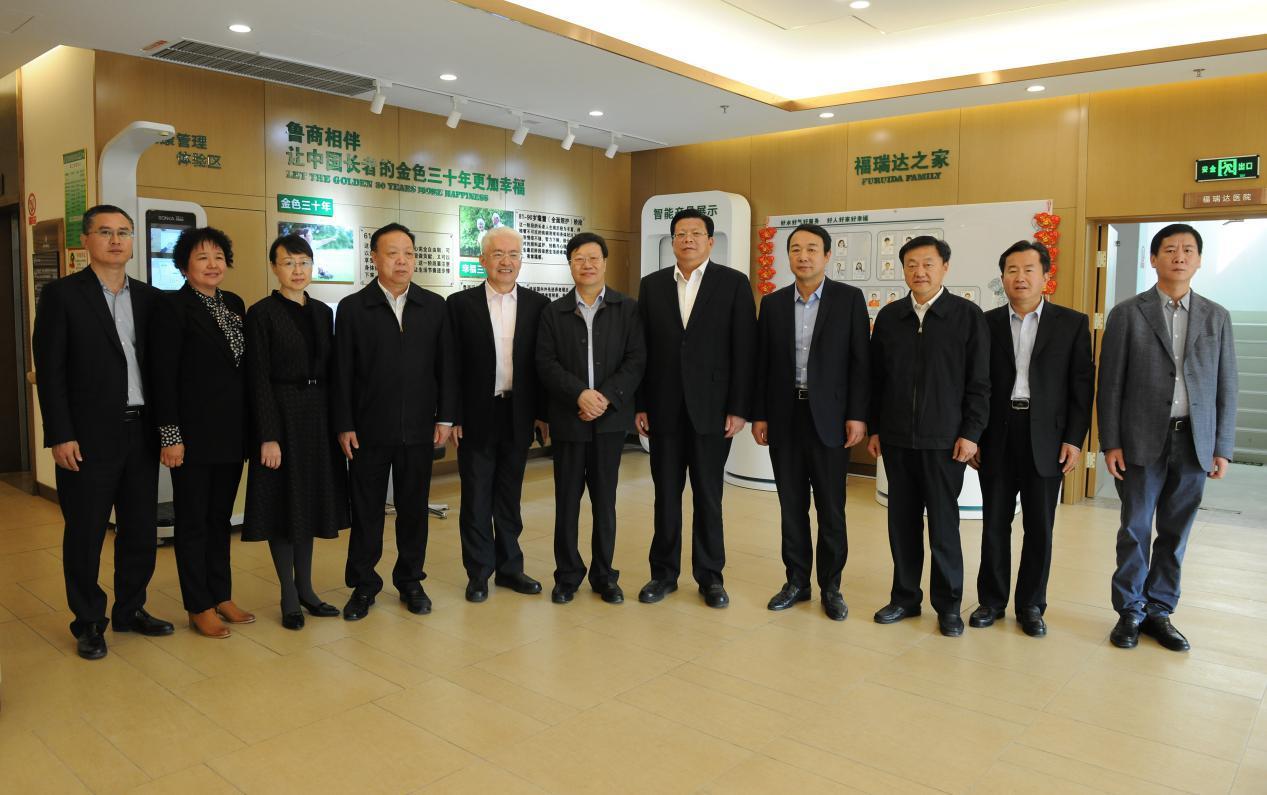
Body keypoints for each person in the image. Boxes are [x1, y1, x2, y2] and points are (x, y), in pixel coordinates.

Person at [33, 204, 173, 659]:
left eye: (124, 232)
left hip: (141, 431)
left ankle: (131, 609)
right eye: (106, 232)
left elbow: (161, 371)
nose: (116, 240)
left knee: (139, 530)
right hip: (87, 437)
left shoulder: (151, 299)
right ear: (86, 240)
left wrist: (168, 431)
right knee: (86, 532)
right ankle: (89, 620)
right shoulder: (62, 296)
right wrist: (60, 433)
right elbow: (50, 371)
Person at [1098, 223, 1237, 652]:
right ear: (1153, 258)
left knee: (1175, 532)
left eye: (1188, 250)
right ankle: (1129, 610)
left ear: (1199, 260)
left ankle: (1160, 610)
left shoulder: (1216, 316)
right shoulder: (1127, 313)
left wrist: (1222, 446)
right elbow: (1110, 384)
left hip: (1194, 441)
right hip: (1139, 440)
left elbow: (1227, 384)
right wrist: (1111, 442)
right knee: (1135, 529)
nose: (1179, 256)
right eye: (1170, 249)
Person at [968, 241, 1093, 637]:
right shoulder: (984, 323)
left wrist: (1074, 439)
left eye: (1028, 270)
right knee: (995, 523)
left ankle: (1031, 605)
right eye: (1011, 270)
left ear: (1045, 276)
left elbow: (1081, 387)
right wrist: (973, 434)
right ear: (1002, 277)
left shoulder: (1071, 323)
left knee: (1040, 527)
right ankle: (991, 601)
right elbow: (972, 383)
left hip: (1047, 438)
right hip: (997, 434)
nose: (1019, 278)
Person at [867, 235, 989, 637]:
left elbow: (980, 383)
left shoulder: (967, 316)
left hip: (945, 442)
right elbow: (876, 379)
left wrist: (971, 433)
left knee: (943, 525)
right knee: (901, 523)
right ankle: (905, 597)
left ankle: (949, 605)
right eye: (912, 265)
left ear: (945, 268)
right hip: (897, 440)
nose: (919, 272)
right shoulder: (890, 317)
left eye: (928, 264)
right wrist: (876, 427)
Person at [635, 208, 756, 608]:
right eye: (681, 234)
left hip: (713, 410)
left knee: (708, 496)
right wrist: (641, 404)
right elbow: (641, 350)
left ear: (710, 241)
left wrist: (738, 407)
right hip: (664, 409)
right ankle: (663, 574)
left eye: (696, 233)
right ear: (672, 241)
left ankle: (710, 578)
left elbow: (745, 349)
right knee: (666, 496)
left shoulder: (733, 283)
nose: (688, 239)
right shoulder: (652, 285)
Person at [335, 223, 456, 620]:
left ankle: (410, 580)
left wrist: (446, 417)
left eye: (408, 253)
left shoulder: (434, 306)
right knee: (366, 510)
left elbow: (446, 368)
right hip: (368, 430)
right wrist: (344, 423)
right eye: (392, 253)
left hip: (419, 429)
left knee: (413, 509)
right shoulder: (354, 308)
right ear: (374, 258)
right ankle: (363, 585)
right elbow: (342, 372)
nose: (402, 261)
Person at [751, 224, 869, 621]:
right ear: (788, 256)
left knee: (831, 509)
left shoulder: (849, 299)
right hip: (784, 416)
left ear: (827, 255)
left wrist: (857, 415)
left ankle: (831, 587)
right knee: (792, 506)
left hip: (830, 419)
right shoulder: (773, 303)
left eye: (812, 249)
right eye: (796, 249)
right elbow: (762, 363)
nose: (803, 256)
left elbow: (860, 362)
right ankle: (796, 582)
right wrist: (760, 413)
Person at [151, 227, 254, 639]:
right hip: (192, 437)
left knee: (219, 519)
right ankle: (198, 605)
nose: (212, 265)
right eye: (202, 257)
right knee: (193, 522)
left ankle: (221, 595)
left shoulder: (234, 303)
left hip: (231, 434)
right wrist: (170, 436)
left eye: (218, 257)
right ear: (183, 265)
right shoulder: (171, 307)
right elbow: (163, 377)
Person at [243, 234, 347, 629]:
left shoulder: (321, 311)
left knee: (309, 504)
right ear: (274, 268)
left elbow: (333, 371)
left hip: (317, 416)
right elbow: (257, 378)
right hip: (282, 415)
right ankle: (288, 594)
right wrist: (268, 435)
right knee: (284, 505)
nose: (297, 270)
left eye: (303, 262)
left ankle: (306, 589)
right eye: (288, 263)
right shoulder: (261, 313)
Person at [537, 232, 646, 605]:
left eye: (594, 258)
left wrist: (605, 397)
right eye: (579, 258)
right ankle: (567, 576)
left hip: (610, 421)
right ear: (570, 264)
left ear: (605, 262)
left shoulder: (627, 308)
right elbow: (545, 363)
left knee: (605, 501)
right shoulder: (553, 312)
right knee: (567, 502)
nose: (587, 265)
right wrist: (579, 395)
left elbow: (636, 360)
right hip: (569, 419)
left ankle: (604, 576)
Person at [447, 227, 549, 602]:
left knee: (509, 495)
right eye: (498, 254)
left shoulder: (539, 305)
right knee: (476, 496)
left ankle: (510, 568)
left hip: (518, 412)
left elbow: (542, 365)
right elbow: (450, 365)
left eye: (513, 254)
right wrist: (451, 415)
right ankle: (478, 573)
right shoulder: (460, 305)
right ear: (482, 260)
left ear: (521, 260)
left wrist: (542, 414)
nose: (506, 261)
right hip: (476, 413)